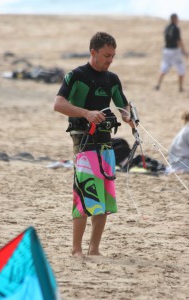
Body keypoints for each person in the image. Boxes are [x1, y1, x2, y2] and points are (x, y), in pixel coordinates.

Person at [54, 32, 134, 257]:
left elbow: (123, 107)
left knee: (105, 197)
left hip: (106, 142)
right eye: (107, 55)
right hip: (84, 141)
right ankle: (76, 249)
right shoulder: (76, 76)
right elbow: (58, 104)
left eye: (113, 56)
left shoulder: (112, 79)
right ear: (93, 52)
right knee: (84, 194)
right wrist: (86, 113)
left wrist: (131, 119)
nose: (110, 60)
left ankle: (94, 249)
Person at [155, 13, 188, 92]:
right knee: (181, 68)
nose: (178, 20)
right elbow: (178, 41)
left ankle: (158, 85)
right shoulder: (176, 28)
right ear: (174, 19)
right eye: (177, 18)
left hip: (166, 50)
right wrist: (184, 51)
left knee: (164, 67)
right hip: (175, 51)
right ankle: (180, 88)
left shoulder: (167, 27)